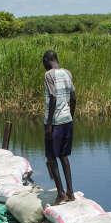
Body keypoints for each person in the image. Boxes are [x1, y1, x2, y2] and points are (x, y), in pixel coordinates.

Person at [42, 49, 76, 201]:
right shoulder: (68, 73)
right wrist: (71, 116)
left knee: (50, 157)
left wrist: (49, 124)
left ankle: (61, 193)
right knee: (63, 156)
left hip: (55, 122)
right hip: (67, 120)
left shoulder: (49, 75)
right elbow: (73, 97)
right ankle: (70, 192)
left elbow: (53, 97)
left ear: (46, 61)